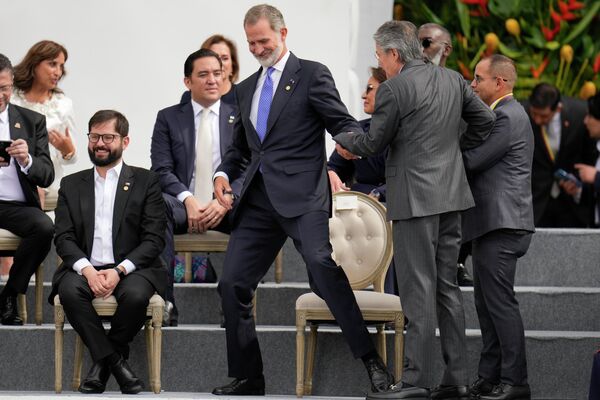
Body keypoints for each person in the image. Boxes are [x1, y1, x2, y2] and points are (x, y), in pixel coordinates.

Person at [212, 4, 394, 396]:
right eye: (251, 42)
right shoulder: (244, 90)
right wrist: (222, 174)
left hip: (303, 195)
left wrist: (354, 145)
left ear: (283, 34)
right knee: (231, 284)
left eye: (263, 40)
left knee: (321, 267)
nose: (258, 48)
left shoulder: (311, 74)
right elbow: (241, 150)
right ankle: (249, 376)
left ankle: (371, 362)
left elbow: (341, 121)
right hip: (258, 201)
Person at [334, 20, 496, 399]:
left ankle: (417, 381)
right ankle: (456, 379)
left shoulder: (395, 88)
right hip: (452, 196)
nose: (380, 63)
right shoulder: (454, 79)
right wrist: (453, 152)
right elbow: (486, 120)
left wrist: (344, 140)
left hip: (414, 198)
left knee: (417, 289)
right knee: (446, 288)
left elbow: (373, 142)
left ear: (393, 54)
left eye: (378, 56)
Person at [49, 110, 167, 394]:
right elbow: (63, 238)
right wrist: (88, 270)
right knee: (69, 292)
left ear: (125, 141)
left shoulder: (145, 181)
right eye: (94, 136)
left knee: (136, 295)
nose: (99, 143)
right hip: (83, 266)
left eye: (108, 137)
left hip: (131, 268)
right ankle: (116, 362)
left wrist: (118, 271)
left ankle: (101, 367)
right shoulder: (71, 184)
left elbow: (153, 240)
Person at [151, 48, 242, 326]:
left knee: (254, 210)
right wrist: (188, 199)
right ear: (187, 81)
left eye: (217, 73)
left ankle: (234, 304)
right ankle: (165, 303)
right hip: (182, 205)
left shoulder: (238, 117)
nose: (212, 80)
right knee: (157, 206)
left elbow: (248, 168)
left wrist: (225, 198)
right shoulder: (168, 117)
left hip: (226, 206)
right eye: (203, 75)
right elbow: (161, 169)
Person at [463, 54, 535, 400]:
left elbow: (473, 161)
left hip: (502, 224)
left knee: (499, 304)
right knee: (486, 305)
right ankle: (489, 377)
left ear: (500, 83)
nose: (473, 85)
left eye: (479, 79)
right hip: (490, 224)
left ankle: (515, 382)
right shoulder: (504, 115)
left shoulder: (507, 116)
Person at [3, 40, 78, 281]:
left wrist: (64, 150)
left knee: (42, 224)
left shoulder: (60, 106)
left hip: (36, 183)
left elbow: (65, 159)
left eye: (61, 66)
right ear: (34, 64)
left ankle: (10, 293)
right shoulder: (13, 98)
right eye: (52, 64)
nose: (57, 71)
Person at [327, 66, 398, 295]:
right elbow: (333, 165)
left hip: (395, 203)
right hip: (358, 207)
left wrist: (379, 194)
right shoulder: (358, 129)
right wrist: (331, 174)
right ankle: (336, 301)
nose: (362, 95)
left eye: (370, 89)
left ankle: (390, 305)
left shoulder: (406, 132)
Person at [0, 53, 54, 325]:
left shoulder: (31, 121)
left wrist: (27, 160)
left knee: (44, 227)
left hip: (16, 206)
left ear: (12, 85)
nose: (0, 95)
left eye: (4, 87)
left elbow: (46, 175)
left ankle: (10, 294)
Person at [418, 22, 474, 287]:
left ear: (447, 49)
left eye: (427, 43)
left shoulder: (458, 86)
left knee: (444, 280)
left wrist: (456, 152)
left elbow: (482, 123)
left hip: (448, 188)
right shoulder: (403, 81)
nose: (420, 49)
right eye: (416, 42)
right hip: (410, 188)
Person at [525, 82, 597, 227]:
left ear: (557, 109)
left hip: (570, 203)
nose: (538, 120)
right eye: (534, 114)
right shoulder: (522, 113)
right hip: (536, 202)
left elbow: (590, 156)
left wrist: (578, 183)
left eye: (543, 116)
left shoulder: (580, 114)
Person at [181, 34, 240, 106]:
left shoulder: (243, 96)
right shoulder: (189, 97)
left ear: (233, 65)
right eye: (214, 57)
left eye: (224, 58)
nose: (219, 63)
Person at [574, 93, 600, 226]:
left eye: (590, 116)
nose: (585, 121)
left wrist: (596, 177)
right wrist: (578, 191)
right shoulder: (596, 149)